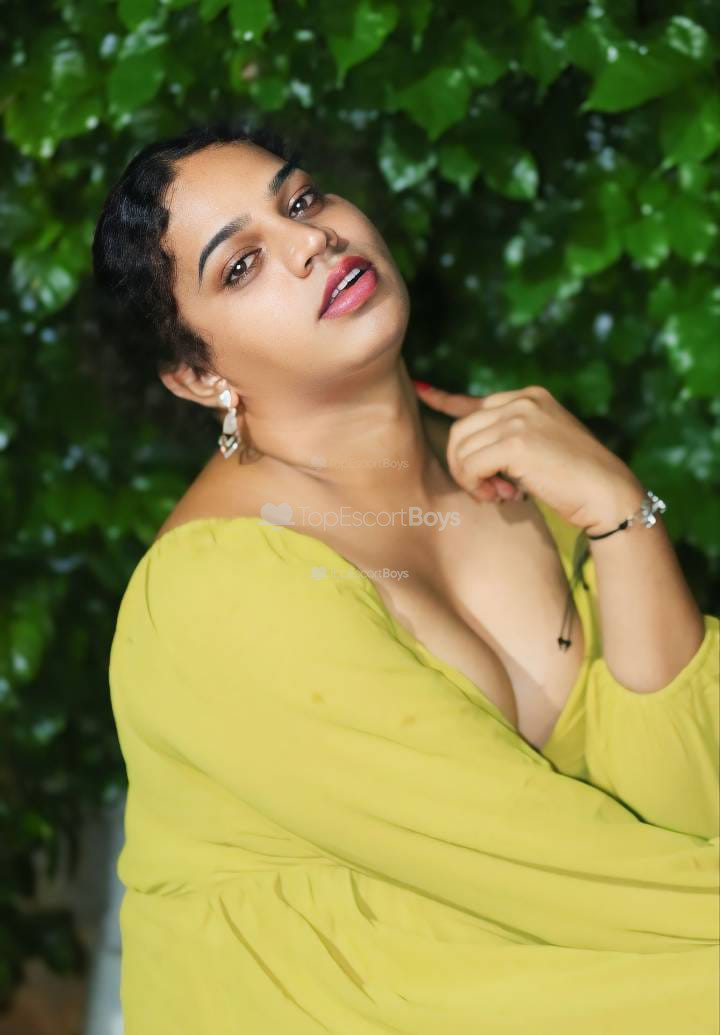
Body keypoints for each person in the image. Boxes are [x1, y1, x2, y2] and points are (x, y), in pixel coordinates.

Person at [93, 120, 719, 1034]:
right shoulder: (213, 592)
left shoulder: (519, 476)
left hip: (568, 965)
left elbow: (684, 804)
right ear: (197, 375)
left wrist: (619, 512)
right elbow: (545, 869)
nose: (312, 242)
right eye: (242, 265)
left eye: (303, 199)